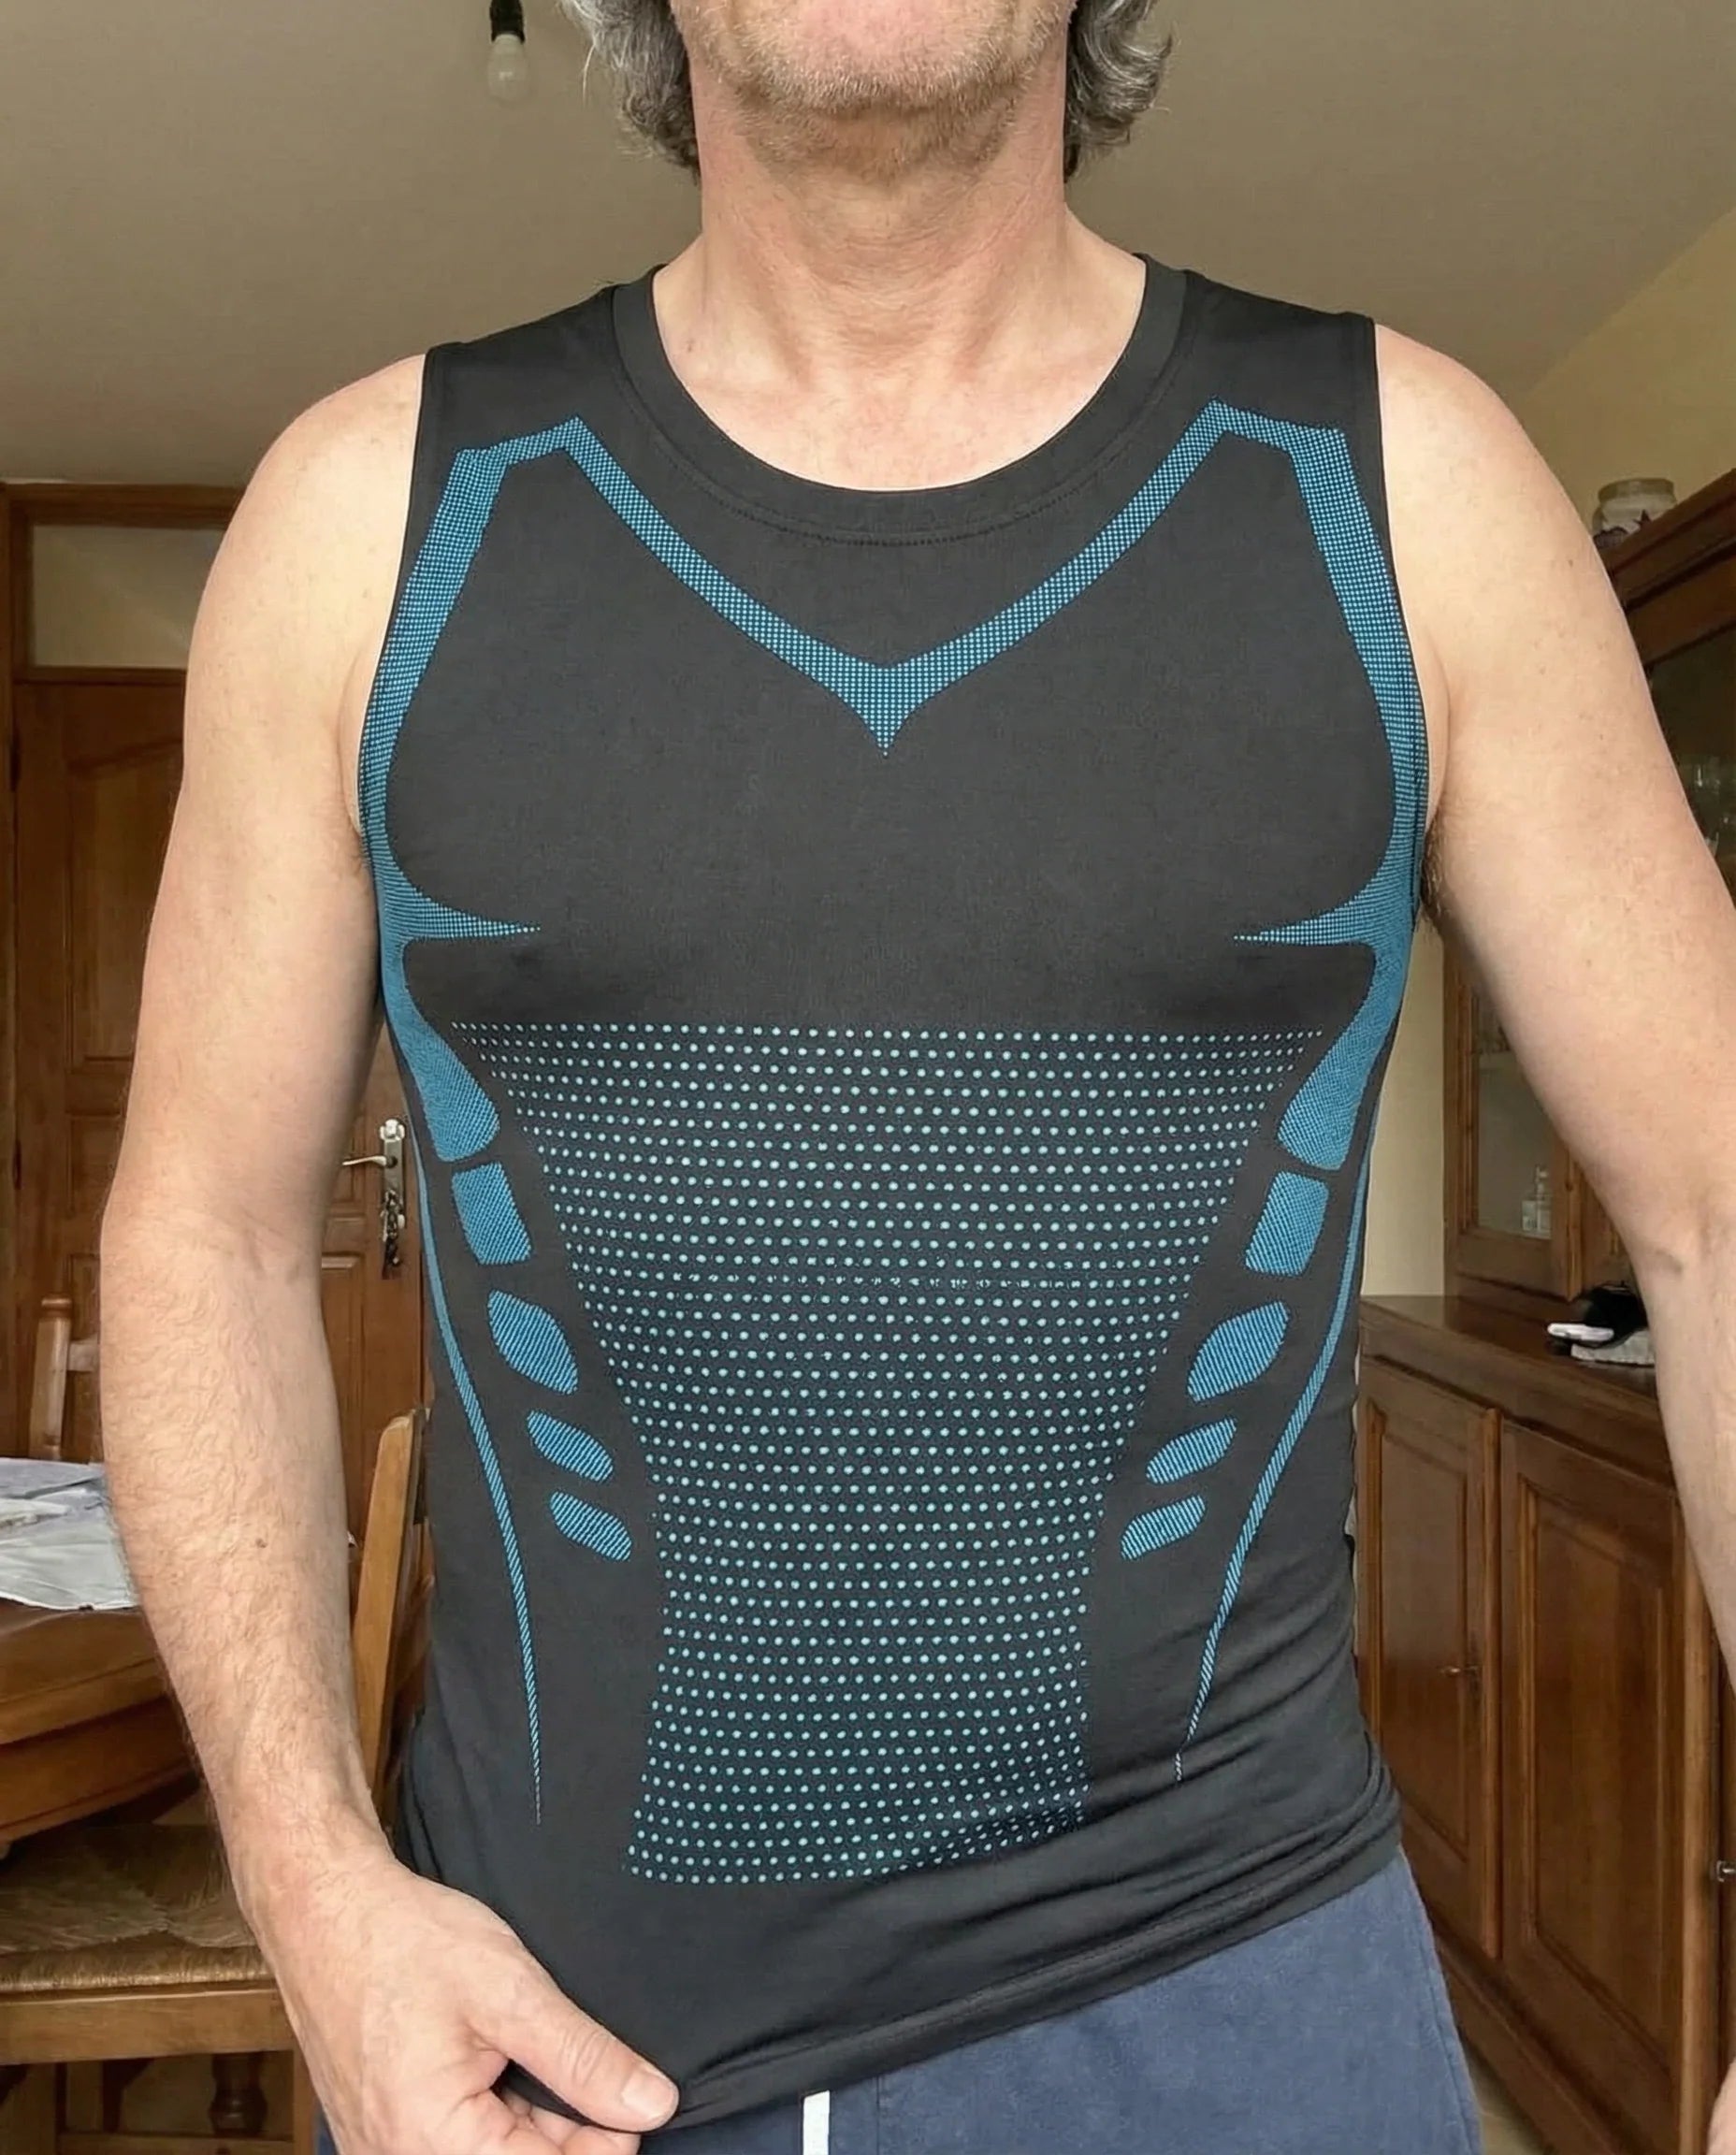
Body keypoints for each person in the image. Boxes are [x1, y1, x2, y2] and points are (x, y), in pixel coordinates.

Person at [97, 2, 1736, 2151]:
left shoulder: (1410, 490)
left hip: (1231, 2014)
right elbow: (204, 1232)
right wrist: (309, 1894)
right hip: (530, 2058)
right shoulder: (364, 520)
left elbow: (1714, 1208)